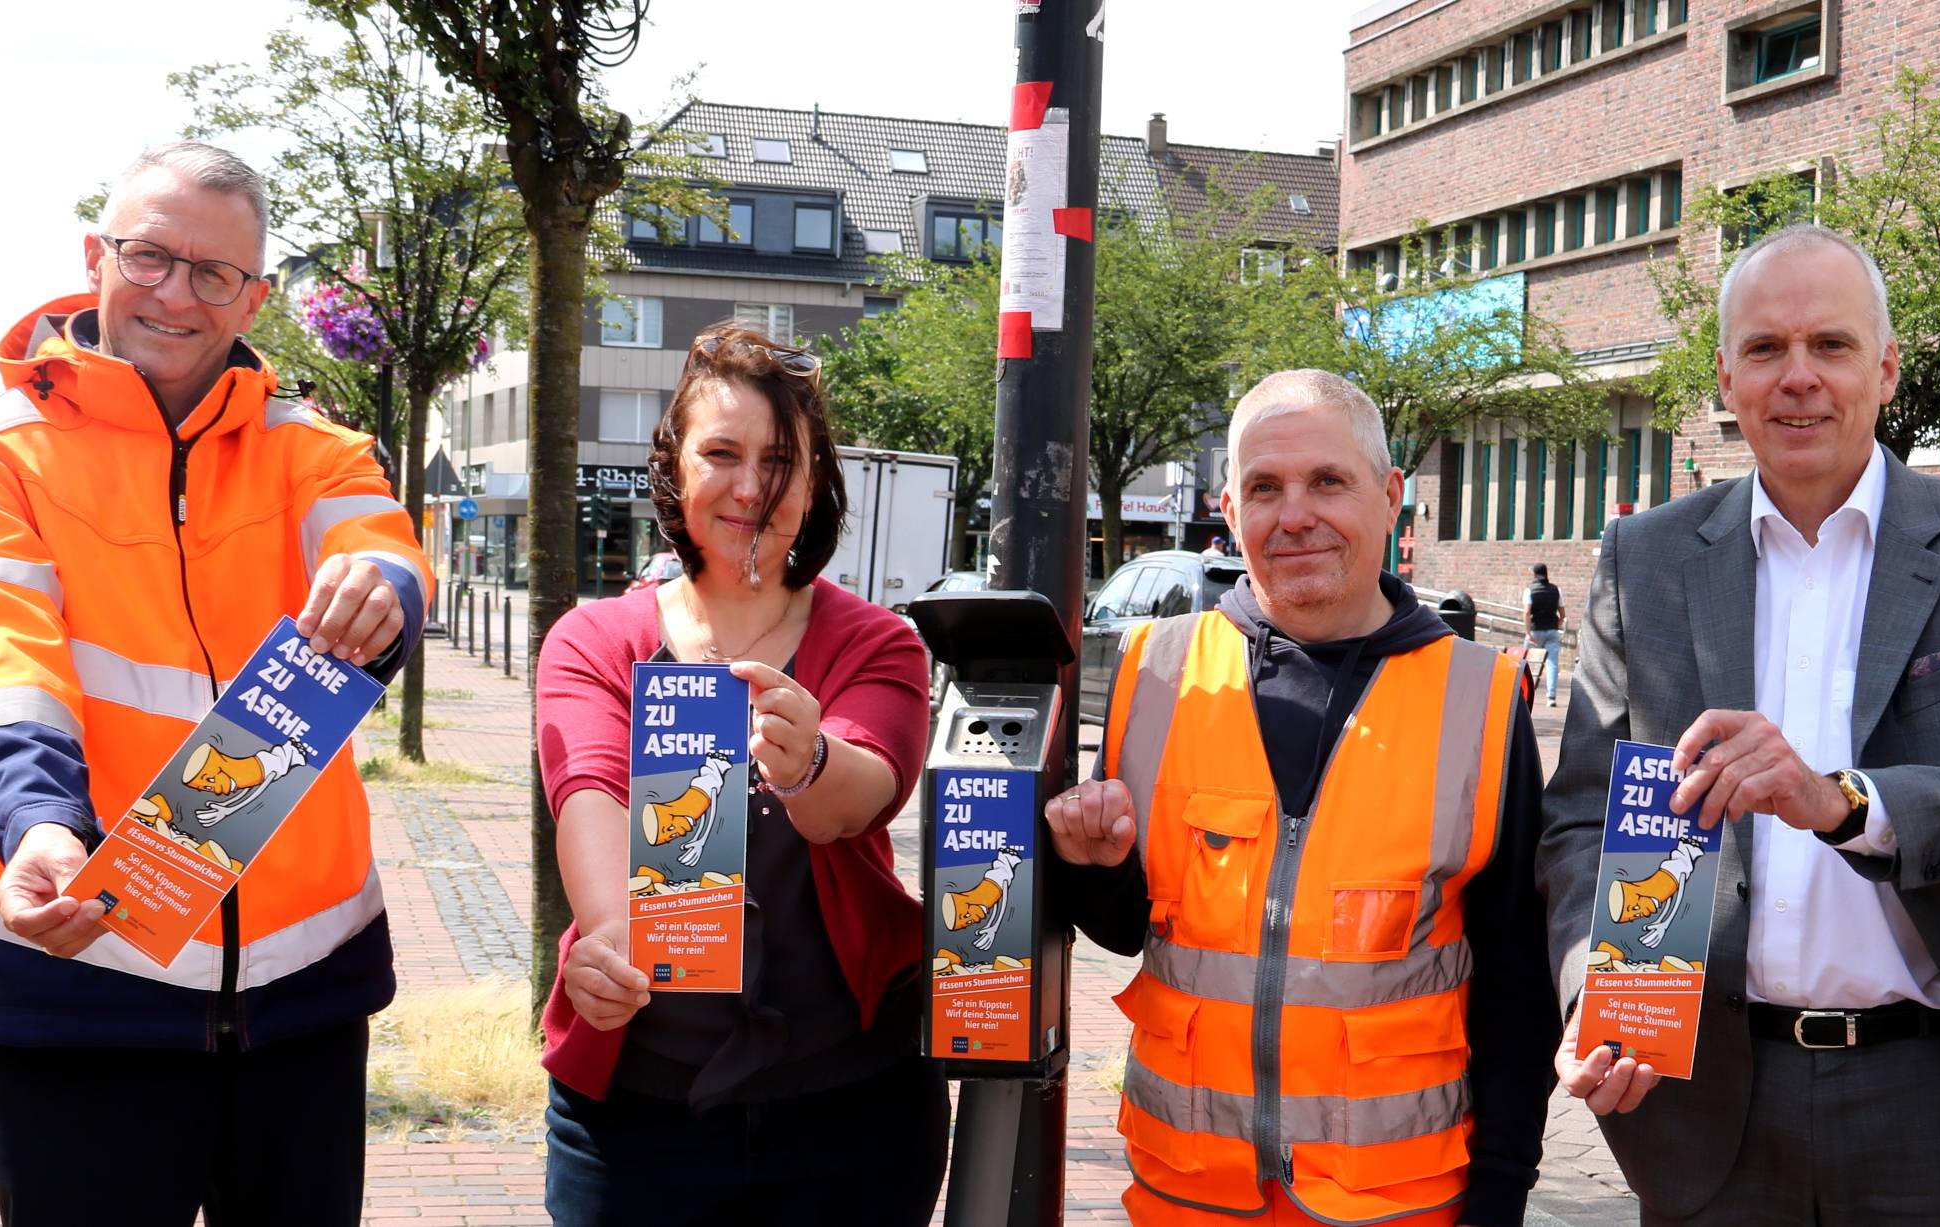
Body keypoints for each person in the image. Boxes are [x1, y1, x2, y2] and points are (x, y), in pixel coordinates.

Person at [0, 142, 431, 1225]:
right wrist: (41, 823)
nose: (175, 295)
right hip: (79, 962)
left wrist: (380, 585)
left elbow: (383, 547)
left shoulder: (316, 448)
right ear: (96, 254)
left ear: (256, 295)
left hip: (304, 986)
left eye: (214, 275)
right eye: (151, 258)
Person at [1540, 224, 1940, 1224]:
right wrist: (1592, 991)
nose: (1798, 377)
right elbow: (1582, 817)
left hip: (1934, 1094)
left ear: (1884, 369)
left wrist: (1844, 804)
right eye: (1765, 349)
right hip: (1701, 1098)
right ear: (1725, 377)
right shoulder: (1645, 560)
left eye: (1830, 346)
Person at [1043, 369, 1557, 1225]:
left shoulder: (1480, 696)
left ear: (1390, 496)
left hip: (1400, 1200)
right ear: (1227, 505)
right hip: (1186, 1188)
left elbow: (1516, 977)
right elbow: (1130, 926)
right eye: (1264, 488)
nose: (1294, 515)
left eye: (1327, 481)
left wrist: (1500, 1190)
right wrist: (1087, 865)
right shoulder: (1157, 670)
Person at [534, 323, 943, 1225]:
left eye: (780, 460)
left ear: (814, 478)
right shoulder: (595, 639)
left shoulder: (876, 640)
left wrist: (811, 762)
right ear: (675, 466)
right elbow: (591, 789)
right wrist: (606, 938)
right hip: (636, 1109)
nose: (751, 486)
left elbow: (866, 793)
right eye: (721, 453)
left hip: (851, 1105)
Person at [1522, 563, 1563, 705]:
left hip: (1535, 630)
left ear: (1534, 574)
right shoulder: (1556, 590)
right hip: (1552, 630)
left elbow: (1527, 612)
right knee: (1552, 664)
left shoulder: (1529, 590)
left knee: (1525, 663)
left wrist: (1528, 632)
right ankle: (1551, 697)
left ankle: (1523, 693)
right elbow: (1562, 614)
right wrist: (1556, 625)